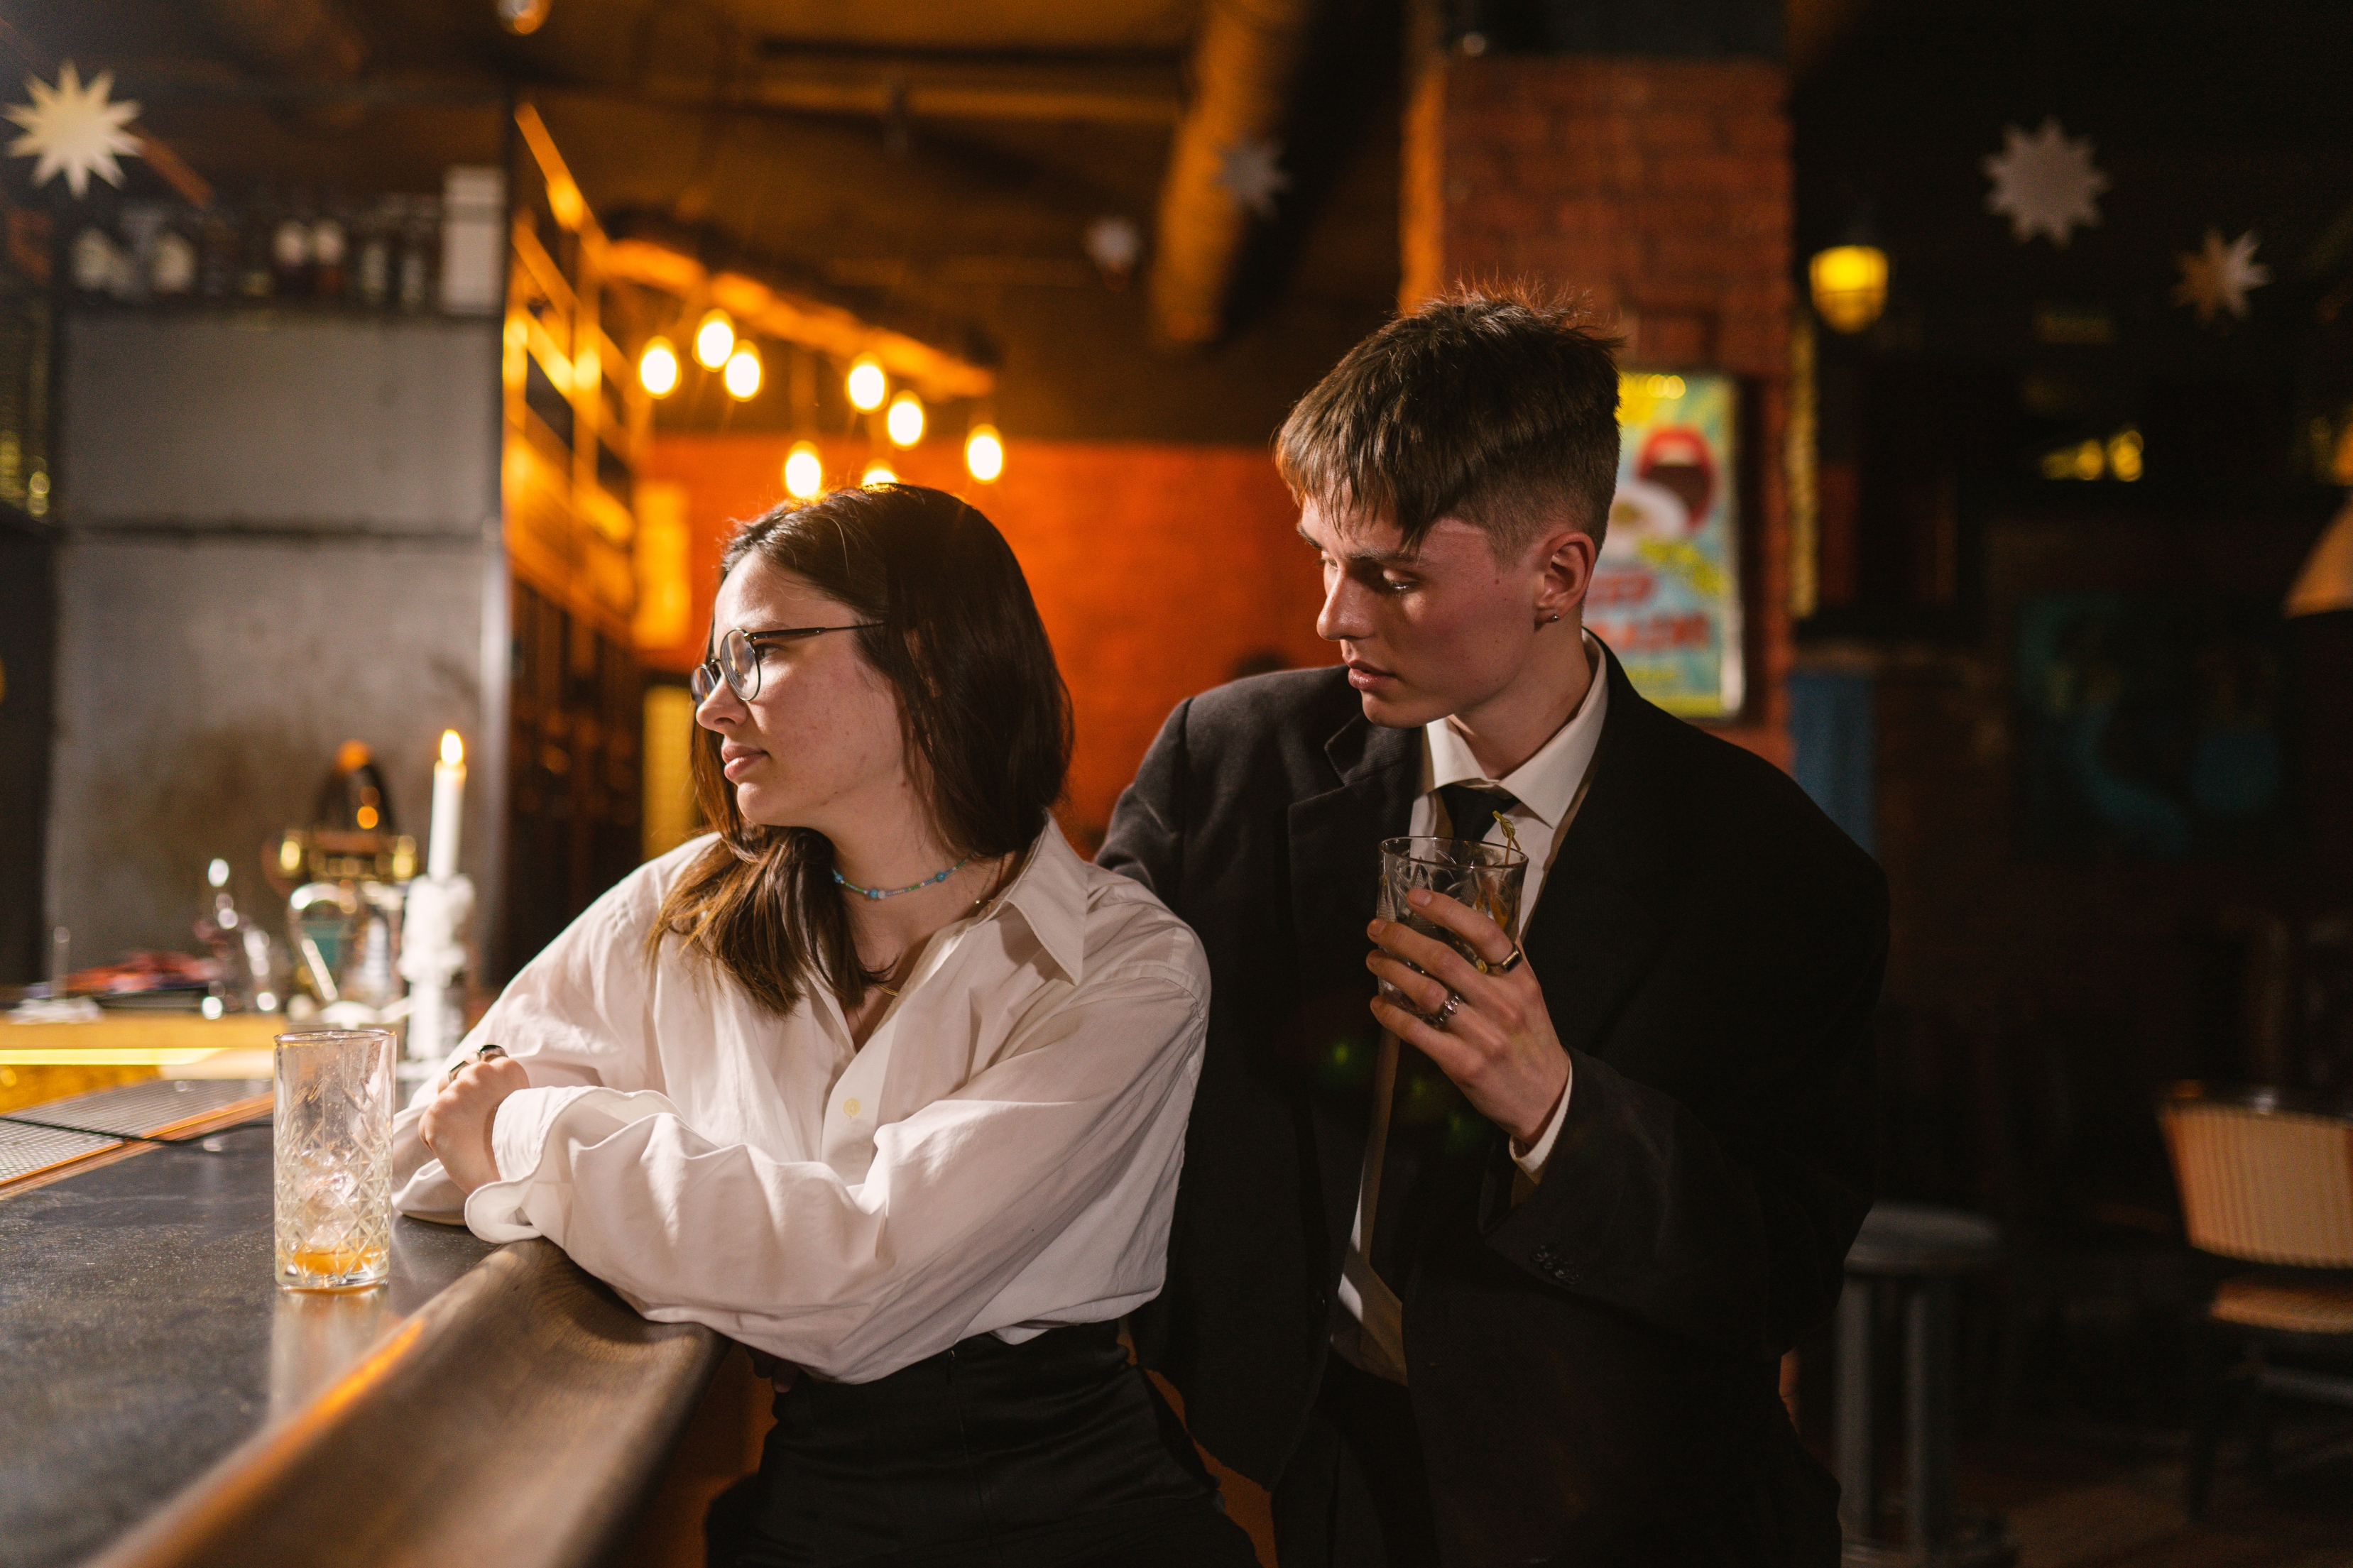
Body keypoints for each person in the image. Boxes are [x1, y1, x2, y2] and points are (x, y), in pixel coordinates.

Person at [1098, 290, 1887, 1566]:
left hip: (1622, 1508)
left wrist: (1560, 1109)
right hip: (1303, 1467)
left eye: (1391, 575)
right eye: (1324, 557)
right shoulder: (1225, 762)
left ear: (1557, 574)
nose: (1334, 615)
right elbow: (1077, 1053)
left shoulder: (1780, 871)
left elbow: (1778, 1271)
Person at [395, 484, 1257, 1568]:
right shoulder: (688, 906)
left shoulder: (1129, 964)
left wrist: (539, 1136)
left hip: (1080, 1513)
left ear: (929, 657)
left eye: (756, 654)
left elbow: (856, 1282)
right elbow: (422, 1149)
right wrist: (586, 1153)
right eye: (715, 668)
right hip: (814, 1503)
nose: (712, 710)